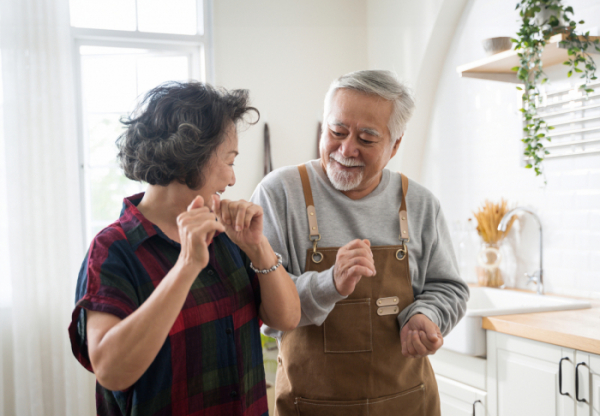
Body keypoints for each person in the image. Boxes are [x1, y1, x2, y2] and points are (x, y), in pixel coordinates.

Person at [68, 81, 301, 416]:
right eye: (229, 160)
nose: (233, 179)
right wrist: (187, 265)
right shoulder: (113, 250)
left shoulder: (225, 233)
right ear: (192, 156)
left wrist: (258, 247)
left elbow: (287, 318)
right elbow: (111, 370)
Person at [250, 70, 469, 415]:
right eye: (337, 132)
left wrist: (427, 315)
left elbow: (449, 288)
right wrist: (329, 284)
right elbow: (265, 308)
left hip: (407, 403)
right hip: (310, 406)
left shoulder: (420, 203)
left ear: (395, 145)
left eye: (367, 139)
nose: (346, 149)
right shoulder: (280, 194)